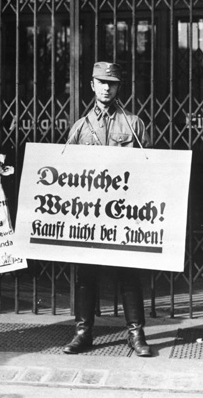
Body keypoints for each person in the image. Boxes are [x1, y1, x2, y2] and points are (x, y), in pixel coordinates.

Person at [62, 61, 152, 357]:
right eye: (101, 82)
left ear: (118, 87)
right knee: (85, 275)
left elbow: (149, 168)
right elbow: (66, 175)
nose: (106, 87)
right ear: (92, 85)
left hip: (123, 216)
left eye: (111, 83)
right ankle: (83, 332)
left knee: (129, 274)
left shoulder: (134, 125)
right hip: (89, 216)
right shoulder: (80, 128)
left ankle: (136, 334)